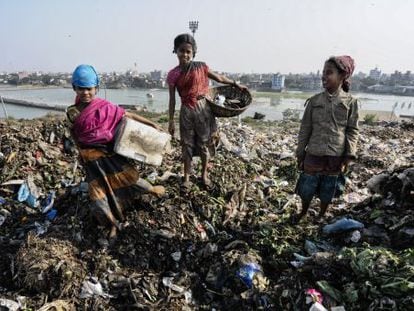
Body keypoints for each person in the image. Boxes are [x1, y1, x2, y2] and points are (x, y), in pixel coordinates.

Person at [67, 64, 165, 239]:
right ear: (74, 88)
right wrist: (79, 154)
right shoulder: (72, 113)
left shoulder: (105, 106)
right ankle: (112, 224)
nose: (85, 93)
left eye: (89, 89)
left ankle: (152, 190)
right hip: (92, 163)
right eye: (81, 89)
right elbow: (74, 135)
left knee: (131, 179)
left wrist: (152, 124)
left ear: (96, 88)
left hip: (110, 156)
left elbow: (127, 115)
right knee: (99, 199)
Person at [167, 33, 247, 190]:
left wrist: (236, 84)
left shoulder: (201, 67)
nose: (185, 54)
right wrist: (171, 120)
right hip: (186, 111)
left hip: (203, 108)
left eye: (188, 52)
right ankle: (187, 178)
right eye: (181, 50)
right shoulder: (173, 74)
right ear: (176, 51)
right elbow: (172, 100)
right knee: (187, 145)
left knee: (205, 143)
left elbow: (219, 78)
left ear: (193, 53)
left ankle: (204, 175)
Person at [294, 56, 359, 221]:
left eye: (329, 73)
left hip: (335, 154)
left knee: (328, 189)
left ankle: (322, 214)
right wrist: (300, 153)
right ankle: (303, 212)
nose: (324, 76)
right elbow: (305, 129)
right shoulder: (314, 101)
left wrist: (348, 156)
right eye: (323, 72)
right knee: (307, 187)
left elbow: (352, 130)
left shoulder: (350, 102)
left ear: (342, 76)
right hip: (313, 152)